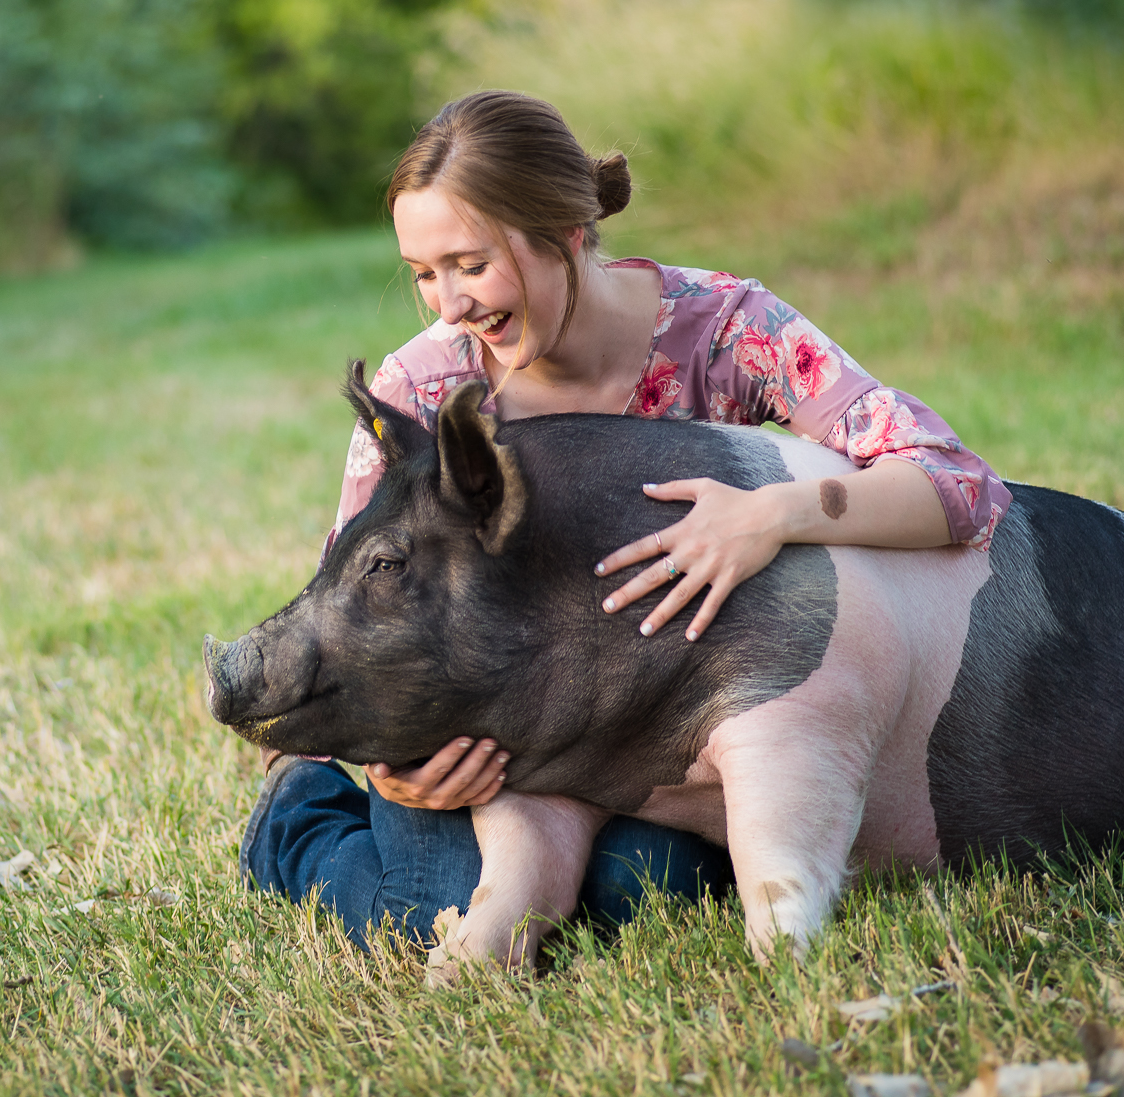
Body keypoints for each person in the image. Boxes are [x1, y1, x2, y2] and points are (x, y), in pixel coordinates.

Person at [239, 90, 1010, 952]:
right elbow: (366, 610)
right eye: (423, 274)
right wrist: (398, 769)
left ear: (567, 231)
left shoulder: (725, 330)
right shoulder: (422, 388)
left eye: (471, 264)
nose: (448, 304)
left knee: (644, 889)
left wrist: (772, 513)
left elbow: (956, 482)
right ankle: (296, 812)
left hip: (655, 727)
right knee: (430, 910)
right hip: (492, 745)